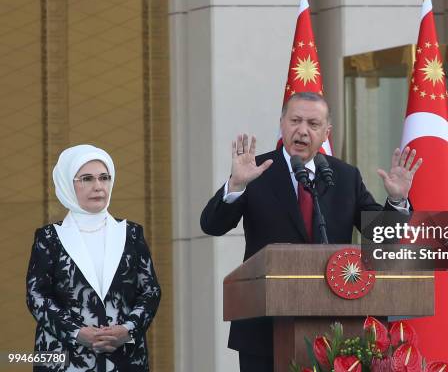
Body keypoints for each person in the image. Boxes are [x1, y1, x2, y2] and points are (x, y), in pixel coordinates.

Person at [201, 92, 422, 371]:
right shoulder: (254, 172)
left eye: (313, 124)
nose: (302, 130)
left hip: (337, 333)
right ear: (282, 124)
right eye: (295, 120)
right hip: (264, 331)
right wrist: (235, 186)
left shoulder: (344, 176)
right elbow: (212, 225)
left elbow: (382, 239)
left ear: (326, 132)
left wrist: (398, 201)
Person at [26, 145, 161, 372]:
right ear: (68, 184)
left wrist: (128, 330)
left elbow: (150, 291)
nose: (98, 186)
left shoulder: (131, 233)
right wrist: (77, 333)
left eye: (104, 178)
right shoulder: (49, 237)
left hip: (124, 357)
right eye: (87, 179)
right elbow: (36, 296)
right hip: (63, 358)